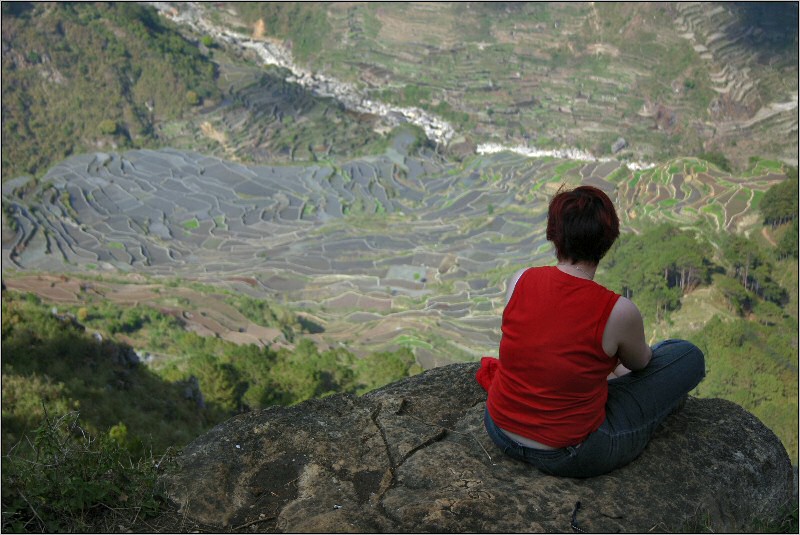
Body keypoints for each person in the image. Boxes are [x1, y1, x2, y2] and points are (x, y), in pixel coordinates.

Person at [477, 185, 705, 478]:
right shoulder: (618, 311)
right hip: (570, 453)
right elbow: (640, 365)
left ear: (553, 234)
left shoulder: (520, 280)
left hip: (499, 429)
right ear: (607, 241)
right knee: (686, 355)